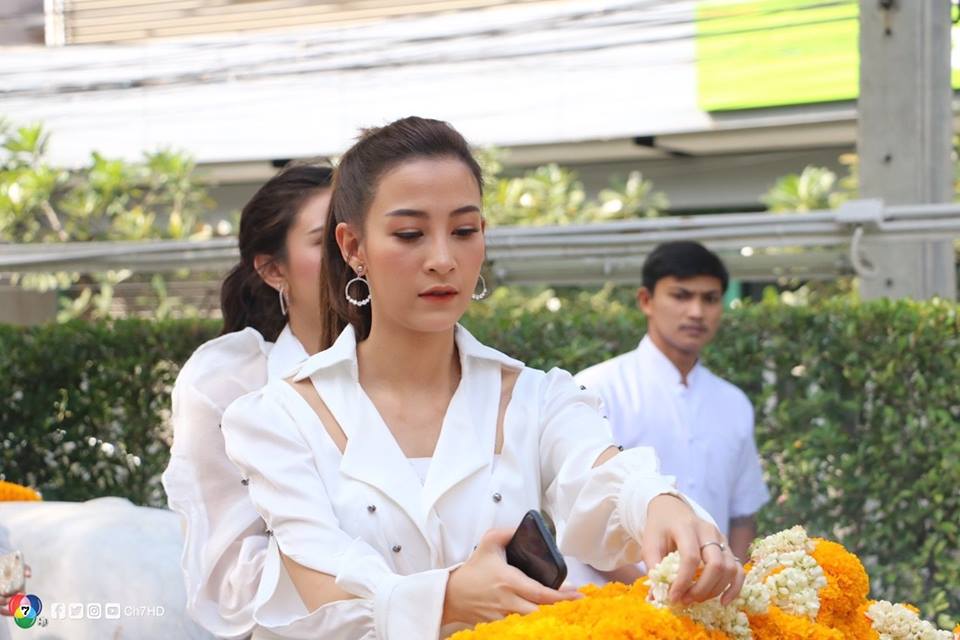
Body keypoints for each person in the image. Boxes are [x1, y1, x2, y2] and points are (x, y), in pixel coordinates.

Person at [220, 117, 745, 640]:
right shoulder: (278, 417)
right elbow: (322, 593)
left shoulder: (538, 398)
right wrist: (446, 597)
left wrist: (656, 503)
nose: (443, 259)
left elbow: (603, 475)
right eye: (410, 234)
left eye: (464, 231)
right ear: (353, 246)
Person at [161, 162, 333, 639]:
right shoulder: (230, 384)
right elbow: (230, 588)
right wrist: (410, 592)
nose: (352, 255)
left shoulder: (440, 367)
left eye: (361, 236)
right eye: (327, 241)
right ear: (273, 269)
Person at [575, 241, 770, 562]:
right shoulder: (595, 388)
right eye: (681, 295)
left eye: (710, 299)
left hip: (713, 588)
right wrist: (653, 584)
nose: (696, 312)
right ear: (646, 300)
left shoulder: (734, 403)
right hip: (614, 590)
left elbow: (742, 515)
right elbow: (579, 513)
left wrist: (731, 581)